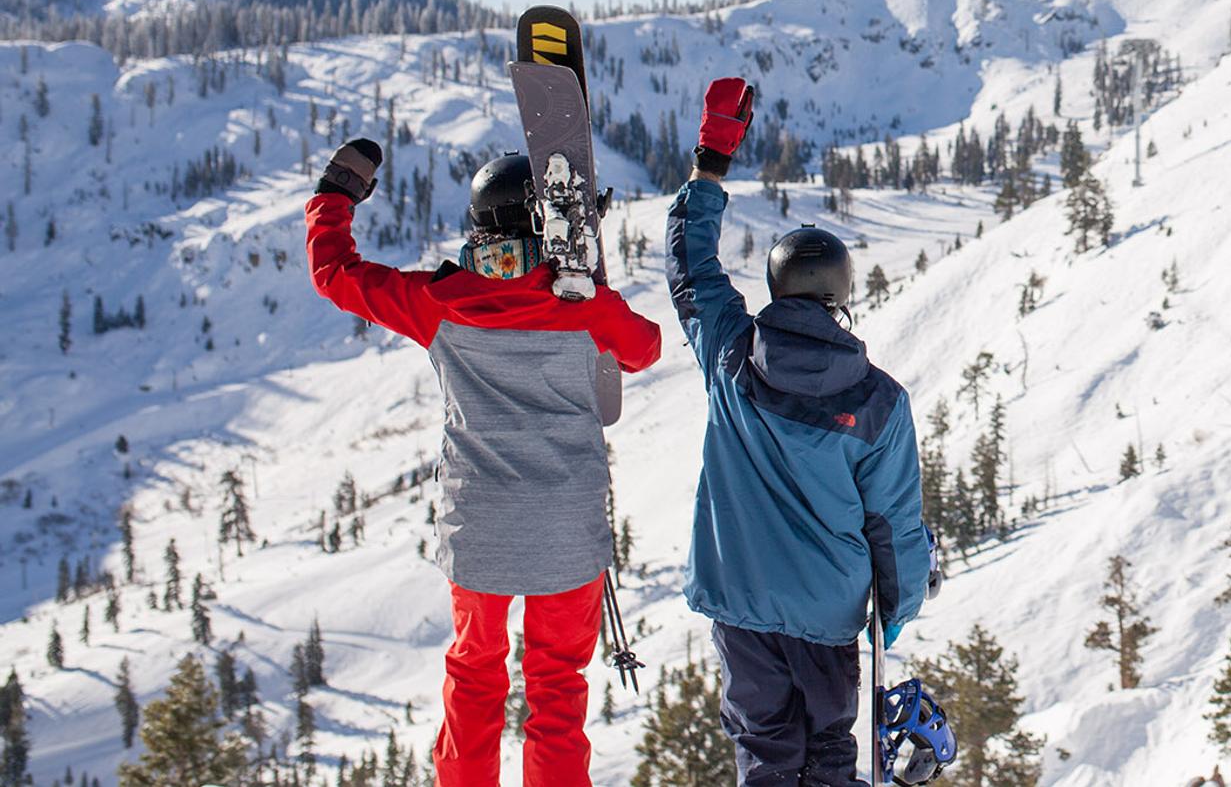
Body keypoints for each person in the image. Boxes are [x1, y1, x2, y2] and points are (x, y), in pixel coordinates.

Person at [307, 140, 662, 787]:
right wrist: (592, 292)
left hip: (479, 529)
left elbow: (334, 273)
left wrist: (335, 197)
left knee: (474, 676)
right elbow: (644, 350)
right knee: (556, 691)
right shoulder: (583, 305)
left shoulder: (438, 302)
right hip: (567, 529)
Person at [666, 78, 931, 787]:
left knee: (764, 750)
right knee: (829, 754)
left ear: (779, 287)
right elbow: (895, 523)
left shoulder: (730, 354)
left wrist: (711, 163)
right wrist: (895, 613)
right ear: (841, 294)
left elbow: (692, 270)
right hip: (827, 618)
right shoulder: (878, 402)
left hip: (741, 607)